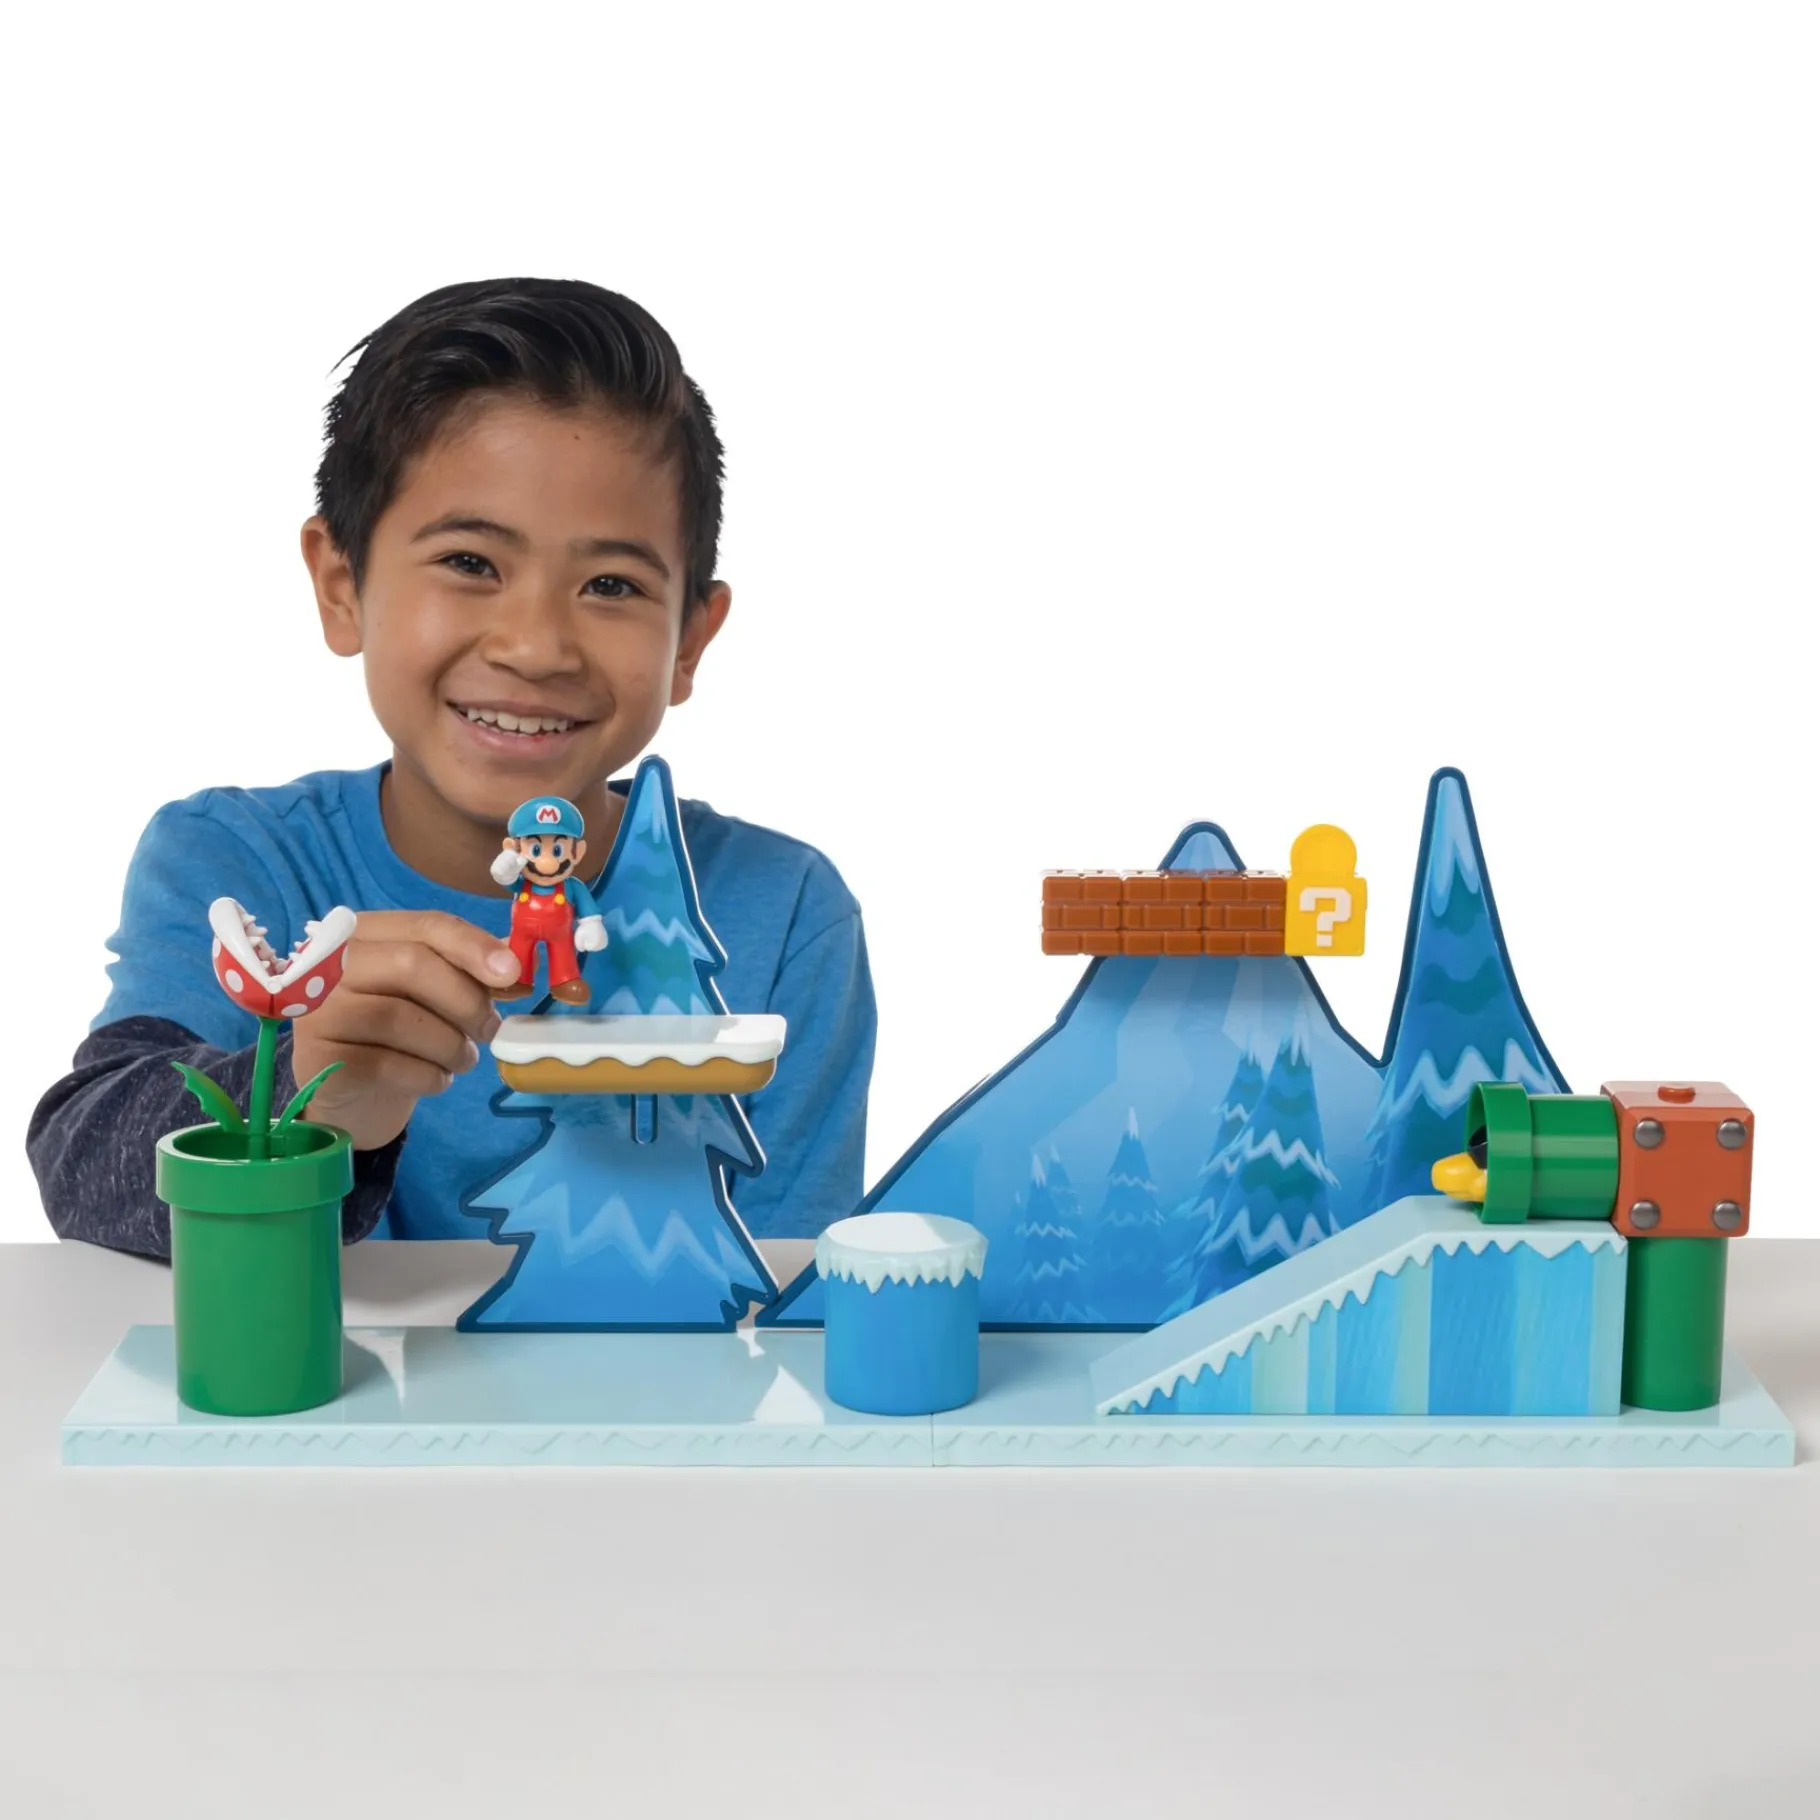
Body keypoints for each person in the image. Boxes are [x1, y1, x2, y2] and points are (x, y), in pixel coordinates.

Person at [28, 278, 876, 1253]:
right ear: (341, 585)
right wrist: (308, 1091)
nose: (535, 646)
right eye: (471, 563)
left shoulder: (785, 911)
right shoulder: (233, 860)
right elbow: (86, 1176)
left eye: (610, 583)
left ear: (690, 640)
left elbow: (788, 1294)